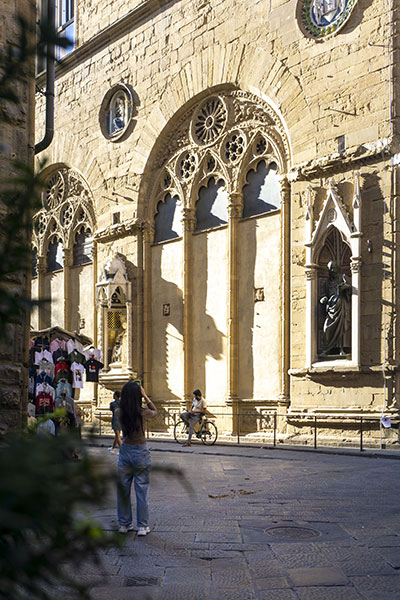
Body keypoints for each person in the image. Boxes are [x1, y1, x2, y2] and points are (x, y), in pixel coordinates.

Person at [115, 381, 157, 535]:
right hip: (140, 451)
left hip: (125, 450)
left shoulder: (119, 412)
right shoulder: (142, 412)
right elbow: (155, 411)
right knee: (142, 489)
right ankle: (142, 526)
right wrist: (145, 396)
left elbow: (120, 406)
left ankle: (124, 524)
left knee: (123, 490)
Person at [320, 260, 351, 356]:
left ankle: (341, 349)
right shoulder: (326, 283)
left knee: (341, 328)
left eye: (334, 270)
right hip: (331, 307)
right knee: (326, 328)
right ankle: (326, 349)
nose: (332, 272)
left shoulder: (342, 279)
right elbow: (324, 294)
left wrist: (345, 288)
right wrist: (323, 299)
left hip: (341, 305)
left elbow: (350, 291)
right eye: (330, 270)